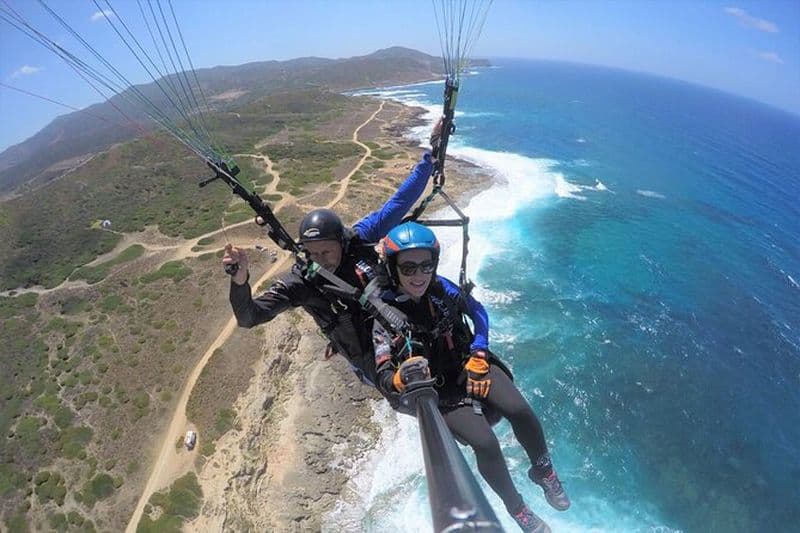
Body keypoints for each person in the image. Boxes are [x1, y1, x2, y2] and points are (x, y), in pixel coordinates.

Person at [372, 222, 570, 533]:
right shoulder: (385, 313)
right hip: (442, 391)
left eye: (426, 265)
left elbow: (478, 313)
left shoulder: (442, 289)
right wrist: (399, 380)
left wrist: (479, 351)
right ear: (393, 268)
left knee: (520, 411)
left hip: (469, 363)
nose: (418, 275)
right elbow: (382, 368)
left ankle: (543, 470)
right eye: (408, 267)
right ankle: (518, 510)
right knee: (486, 443)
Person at [223, 137, 438, 386]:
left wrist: (429, 158)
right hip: (374, 364)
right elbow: (249, 317)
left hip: (404, 328)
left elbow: (398, 204)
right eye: (312, 253)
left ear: (342, 242)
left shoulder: (358, 238)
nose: (319, 260)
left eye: (326, 252)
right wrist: (240, 282)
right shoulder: (303, 282)